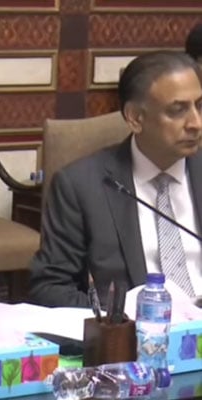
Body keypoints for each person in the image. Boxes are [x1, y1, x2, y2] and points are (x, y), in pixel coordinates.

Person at [30, 51, 202, 307]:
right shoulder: (81, 185)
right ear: (134, 117)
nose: (196, 123)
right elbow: (49, 289)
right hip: (136, 335)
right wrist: (121, 315)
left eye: (200, 106)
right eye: (177, 111)